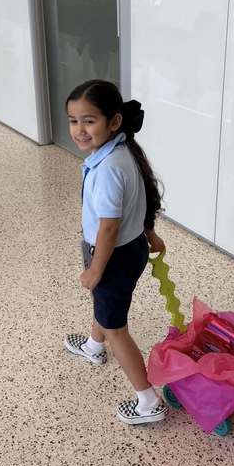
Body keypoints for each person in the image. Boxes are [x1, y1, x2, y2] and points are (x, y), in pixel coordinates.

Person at [63, 79, 168, 425]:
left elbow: (109, 227)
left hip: (113, 254)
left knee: (117, 328)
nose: (79, 129)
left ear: (114, 122)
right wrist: (148, 231)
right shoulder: (122, 153)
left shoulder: (108, 168)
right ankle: (94, 347)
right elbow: (137, 199)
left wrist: (95, 269)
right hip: (130, 247)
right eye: (73, 120)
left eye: (89, 120)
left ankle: (148, 400)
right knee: (106, 304)